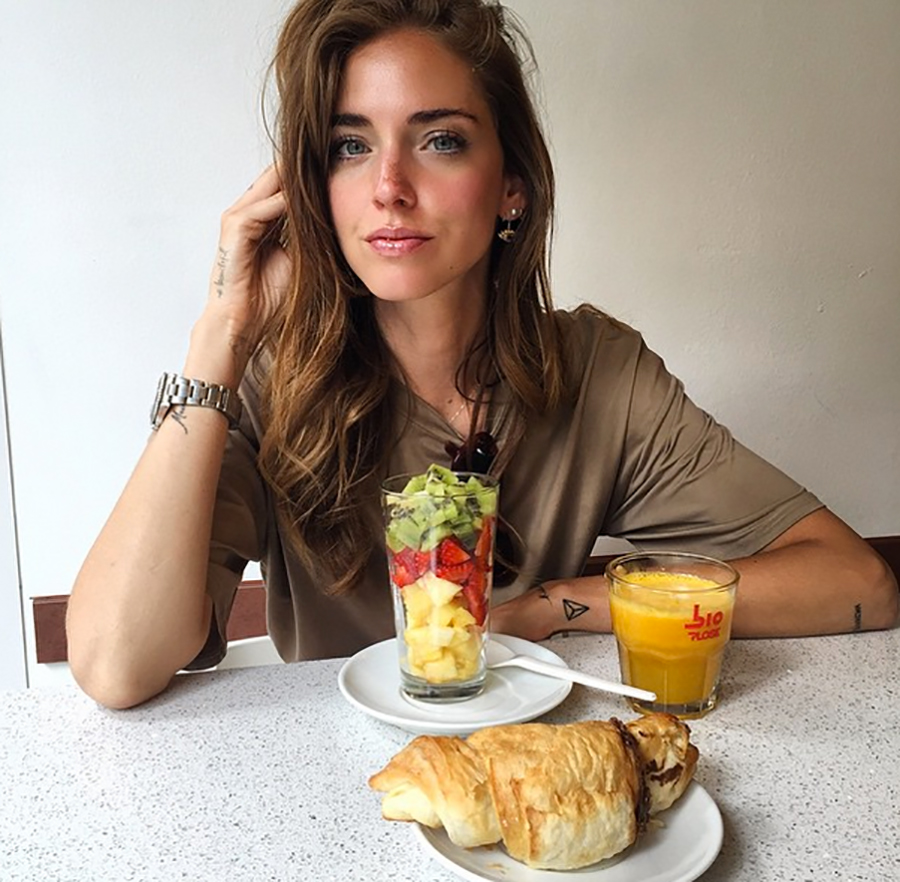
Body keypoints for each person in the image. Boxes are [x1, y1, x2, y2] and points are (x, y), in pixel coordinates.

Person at [66, 0, 897, 709]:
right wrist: (220, 332)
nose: (389, 186)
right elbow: (112, 665)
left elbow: (856, 583)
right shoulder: (267, 381)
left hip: (529, 777)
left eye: (440, 140)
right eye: (350, 146)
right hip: (333, 785)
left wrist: (554, 607)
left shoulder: (596, 372)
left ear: (511, 187)